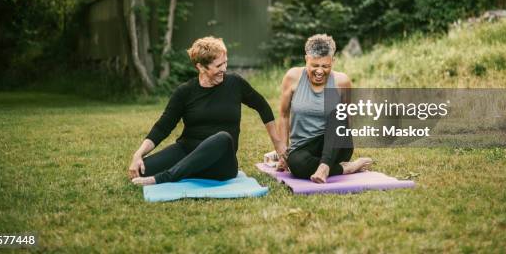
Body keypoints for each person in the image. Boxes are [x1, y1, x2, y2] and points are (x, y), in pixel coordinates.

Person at [128, 36, 286, 185]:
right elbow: (162, 127)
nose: (224, 69)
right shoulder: (185, 92)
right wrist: (139, 154)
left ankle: (167, 177)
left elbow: (263, 107)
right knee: (142, 170)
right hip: (188, 150)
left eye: (225, 63)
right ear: (200, 67)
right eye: (218, 66)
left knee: (223, 137)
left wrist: (278, 145)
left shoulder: (235, 83)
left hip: (221, 162)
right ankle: (188, 169)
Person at [278, 34, 372, 183]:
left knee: (337, 112)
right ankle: (346, 168)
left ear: (333, 61)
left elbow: (347, 119)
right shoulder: (292, 77)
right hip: (303, 147)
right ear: (306, 59)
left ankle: (324, 167)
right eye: (315, 65)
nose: (320, 71)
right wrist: (283, 152)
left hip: (334, 145)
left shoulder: (341, 81)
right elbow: (283, 115)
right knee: (296, 165)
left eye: (325, 66)